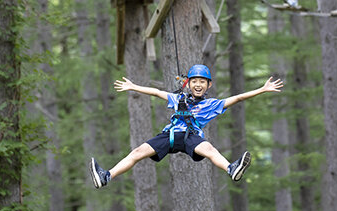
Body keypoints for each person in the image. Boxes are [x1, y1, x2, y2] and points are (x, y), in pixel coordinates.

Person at [89, 64, 284, 188]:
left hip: (191, 137)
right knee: (138, 152)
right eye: (195, 81)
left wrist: (262, 89)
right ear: (188, 84)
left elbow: (239, 97)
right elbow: (156, 92)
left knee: (209, 148)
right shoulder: (178, 98)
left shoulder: (211, 104)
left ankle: (231, 169)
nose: (198, 85)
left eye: (202, 82)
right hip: (171, 135)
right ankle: (107, 176)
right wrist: (133, 86)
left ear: (208, 85)